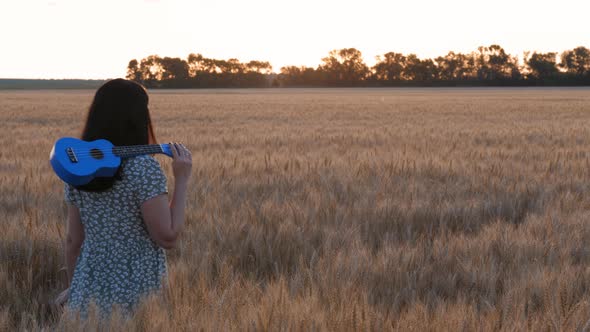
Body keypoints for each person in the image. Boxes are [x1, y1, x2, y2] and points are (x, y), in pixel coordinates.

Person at [54, 78, 192, 318]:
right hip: (137, 295)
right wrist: (182, 180)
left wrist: (76, 289)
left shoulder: (79, 169)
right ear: (138, 118)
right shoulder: (143, 169)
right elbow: (168, 237)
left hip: (89, 293)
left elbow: (73, 242)